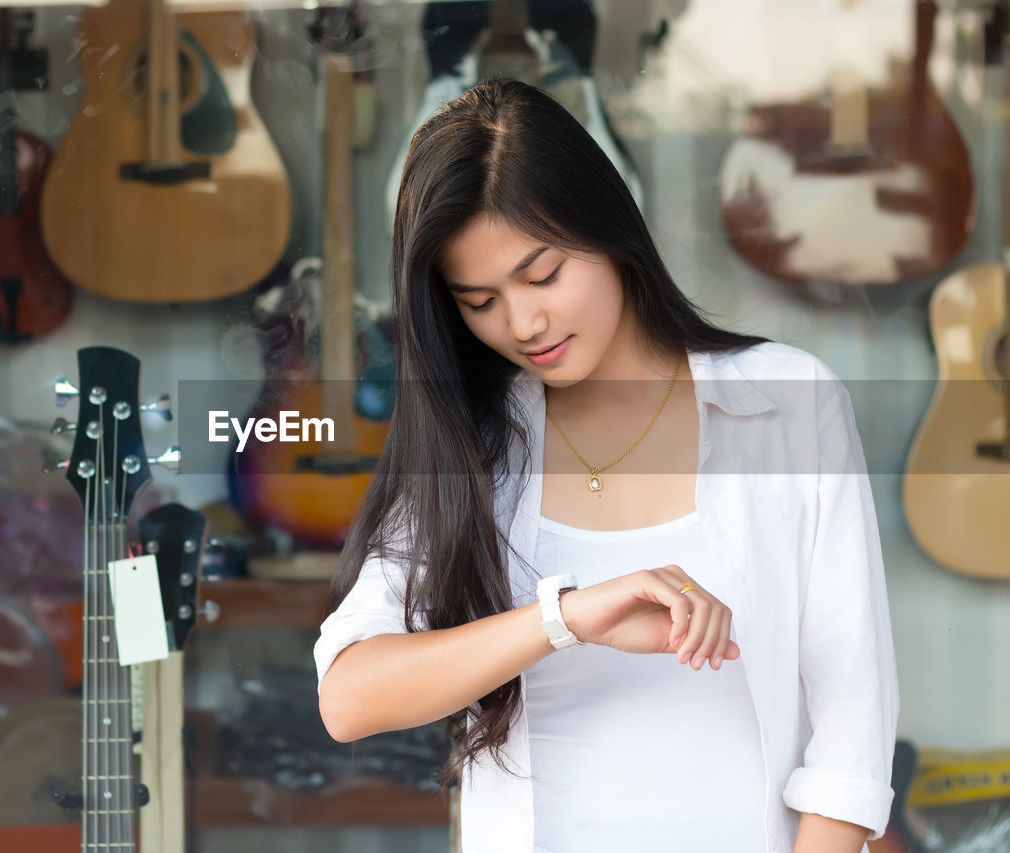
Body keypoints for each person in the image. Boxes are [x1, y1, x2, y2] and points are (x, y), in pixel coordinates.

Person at [313, 78, 899, 853]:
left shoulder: (787, 404)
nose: (524, 322)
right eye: (478, 299)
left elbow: (852, 733)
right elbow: (350, 697)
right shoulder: (471, 444)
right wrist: (567, 617)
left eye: (544, 273)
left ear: (609, 230)